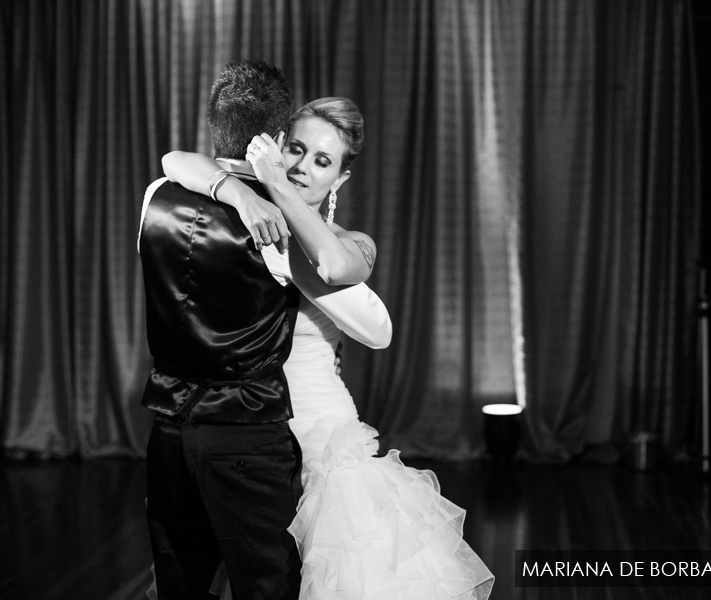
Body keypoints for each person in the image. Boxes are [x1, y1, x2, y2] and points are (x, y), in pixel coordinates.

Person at [162, 97, 495, 600]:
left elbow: (336, 269)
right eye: (294, 149)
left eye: (322, 161)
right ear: (275, 147)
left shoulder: (351, 242)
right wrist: (238, 189)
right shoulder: (245, 217)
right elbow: (173, 163)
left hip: (320, 438)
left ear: (338, 180)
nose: (301, 167)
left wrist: (273, 185)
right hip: (240, 431)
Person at [138, 60, 305, 600]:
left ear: (215, 127)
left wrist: (229, 188)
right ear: (276, 138)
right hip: (246, 434)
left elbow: (174, 161)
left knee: (179, 584)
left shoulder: (156, 196)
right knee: (266, 585)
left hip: (168, 428)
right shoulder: (284, 226)